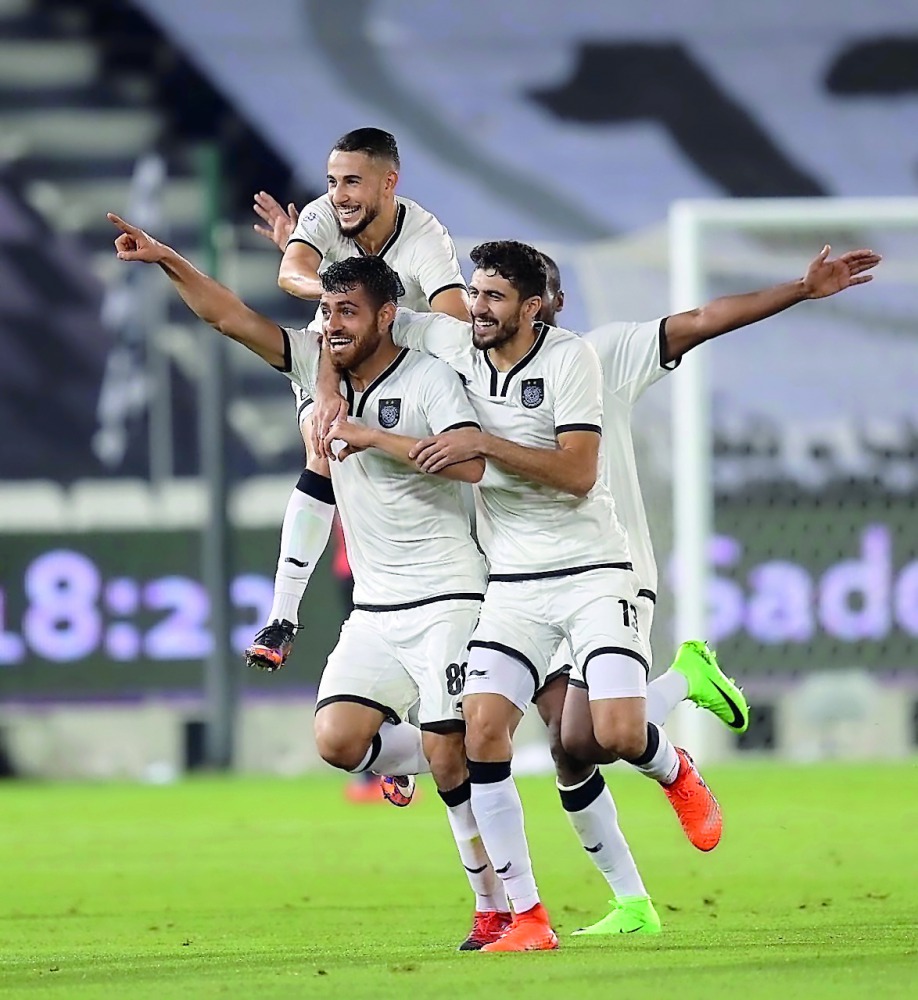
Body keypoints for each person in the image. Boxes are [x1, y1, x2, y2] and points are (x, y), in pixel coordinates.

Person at [390, 240, 881, 945]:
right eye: (478, 293)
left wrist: (798, 291)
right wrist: (303, 253)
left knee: (601, 736)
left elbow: (705, 318)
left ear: (546, 304)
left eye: (507, 294)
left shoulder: (597, 353)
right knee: (547, 742)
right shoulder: (464, 350)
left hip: (611, 568)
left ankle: (678, 703)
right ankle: (588, 908)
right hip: (520, 579)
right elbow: (376, 314)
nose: (480, 306)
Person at [106, 215, 506, 951]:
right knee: (337, 738)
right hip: (376, 605)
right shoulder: (310, 369)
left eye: (346, 312)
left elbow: (474, 462)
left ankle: (495, 906)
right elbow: (227, 315)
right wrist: (168, 256)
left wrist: (372, 435)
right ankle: (432, 749)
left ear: (387, 316)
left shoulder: (428, 373)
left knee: (461, 754)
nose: (330, 326)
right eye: (325, 312)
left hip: (451, 591)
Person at [244, 128, 469, 683]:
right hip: (337, 352)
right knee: (323, 445)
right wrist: (350, 293)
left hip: (406, 361)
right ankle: (281, 618)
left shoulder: (424, 236)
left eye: (352, 181)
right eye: (332, 181)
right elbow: (290, 273)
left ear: (389, 183)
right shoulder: (325, 215)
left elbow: (453, 319)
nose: (338, 194)